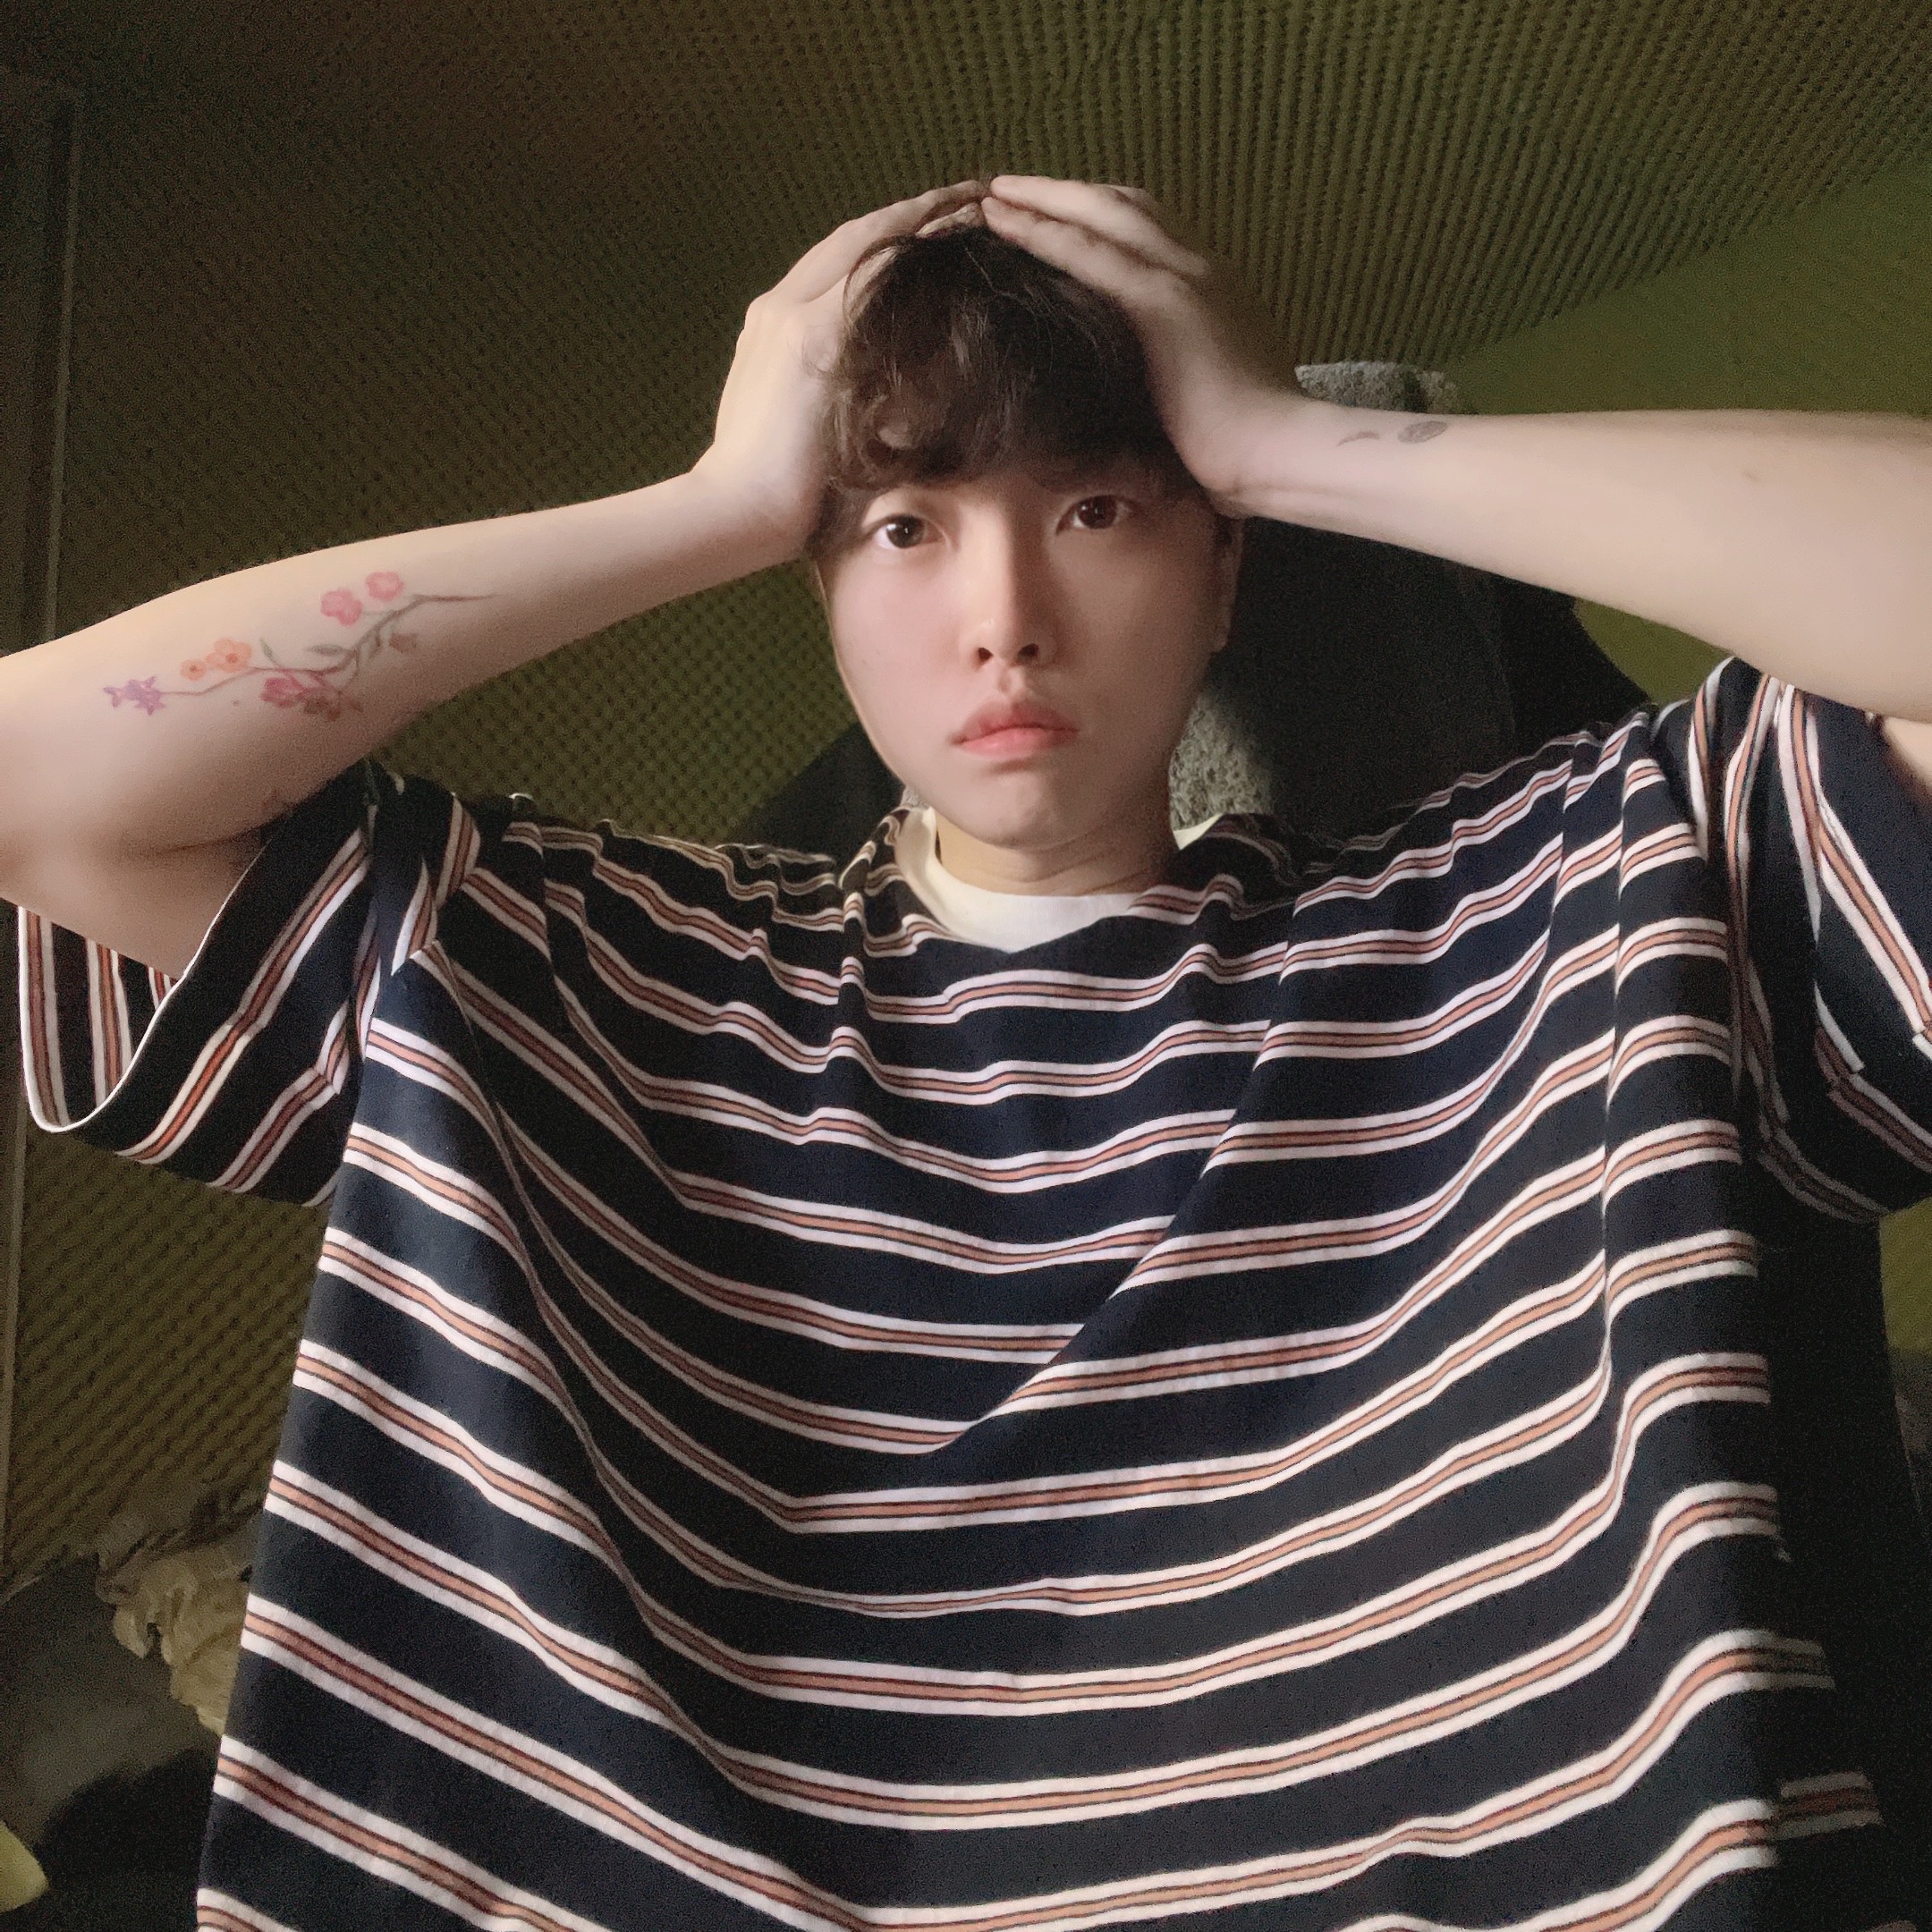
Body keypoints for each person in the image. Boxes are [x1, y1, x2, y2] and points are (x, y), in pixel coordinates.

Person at [4, 174, 1931, 1929]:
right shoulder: (569, 965)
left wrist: (1305, 441)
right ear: (820, 584)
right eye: (905, 528)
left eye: (1096, 509)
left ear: (1225, 563)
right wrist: (706, 509)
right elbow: (33, 782)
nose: (1004, 620)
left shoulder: (1548, 908)